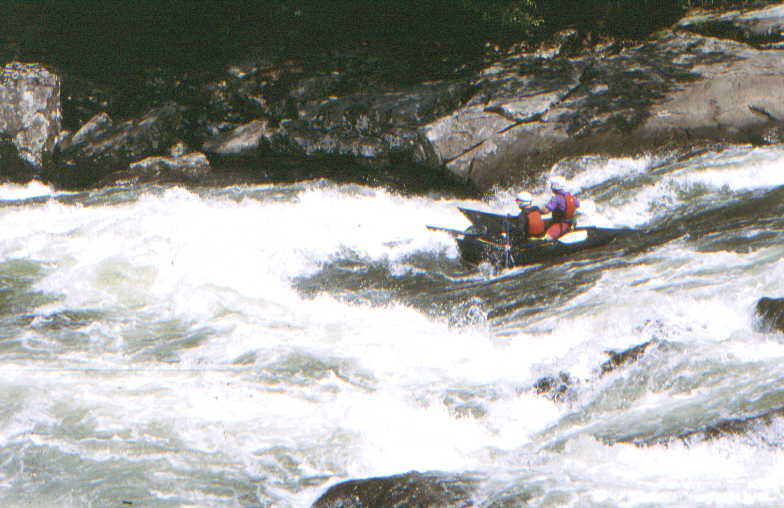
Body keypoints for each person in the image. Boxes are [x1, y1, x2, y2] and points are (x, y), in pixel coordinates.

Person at [541, 175, 579, 240]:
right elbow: (577, 205)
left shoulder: (556, 198)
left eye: (552, 185)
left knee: (546, 237)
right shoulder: (570, 196)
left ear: (555, 186)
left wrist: (535, 211)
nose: (551, 187)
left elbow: (546, 211)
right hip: (570, 223)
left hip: (560, 225)